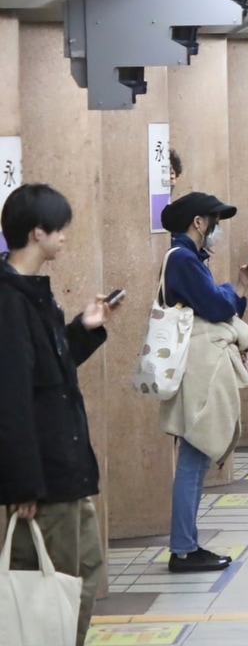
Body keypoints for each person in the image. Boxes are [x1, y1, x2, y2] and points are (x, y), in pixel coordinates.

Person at [0, 184, 117, 646]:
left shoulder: (34, 294)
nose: (65, 237)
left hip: (66, 468)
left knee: (83, 570)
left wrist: (83, 330)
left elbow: (51, 370)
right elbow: (11, 398)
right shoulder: (9, 302)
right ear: (37, 232)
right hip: (44, 476)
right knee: (49, 584)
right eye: (60, 228)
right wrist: (22, 483)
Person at [159, 192, 248, 573]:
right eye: (213, 222)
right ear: (198, 223)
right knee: (192, 455)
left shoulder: (191, 260)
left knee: (195, 456)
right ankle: (183, 548)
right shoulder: (183, 259)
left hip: (198, 363)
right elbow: (217, 307)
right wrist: (227, 291)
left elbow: (217, 301)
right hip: (196, 367)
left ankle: (187, 544)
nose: (216, 230)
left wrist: (236, 286)